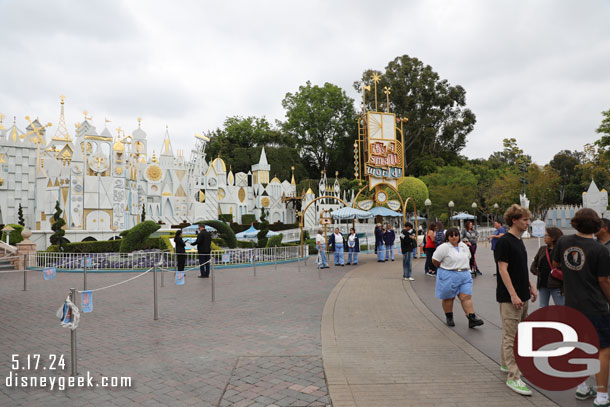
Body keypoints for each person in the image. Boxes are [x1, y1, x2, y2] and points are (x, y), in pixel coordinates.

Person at [553, 209, 610, 405]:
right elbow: (603, 280)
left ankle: (582, 386)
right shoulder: (600, 250)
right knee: (603, 349)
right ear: (596, 225)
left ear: (575, 223)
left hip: (572, 305)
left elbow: (556, 263)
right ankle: (602, 396)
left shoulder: (563, 242)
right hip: (595, 306)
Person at [495, 204, 537, 396]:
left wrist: (530, 285)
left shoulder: (518, 240)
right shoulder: (505, 242)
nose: (528, 223)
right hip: (511, 297)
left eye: (528, 219)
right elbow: (503, 269)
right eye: (525, 220)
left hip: (522, 294)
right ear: (514, 220)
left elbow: (520, 267)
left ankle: (506, 364)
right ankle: (514, 377)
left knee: (513, 334)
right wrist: (513, 294)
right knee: (513, 337)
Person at [432, 227, 484, 328]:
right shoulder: (444, 247)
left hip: (464, 274)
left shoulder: (463, 246)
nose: (454, 237)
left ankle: (471, 317)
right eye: (451, 235)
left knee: (466, 296)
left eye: (456, 235)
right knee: (448, 297)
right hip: (449, 274)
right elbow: (435, 260)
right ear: (447, 237)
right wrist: (444, 268)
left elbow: (468, 257)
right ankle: (449, 317)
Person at [529, 227, 564, 307]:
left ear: (553, 238)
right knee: (542, 307)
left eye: (546, 235)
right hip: (543, 284)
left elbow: (566, 271)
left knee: (561, 308)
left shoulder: (561, 251)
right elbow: (534, 265)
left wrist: (564, 288)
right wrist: (537, 272)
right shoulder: (542, 249)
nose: (544, 237)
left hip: (557, 285)